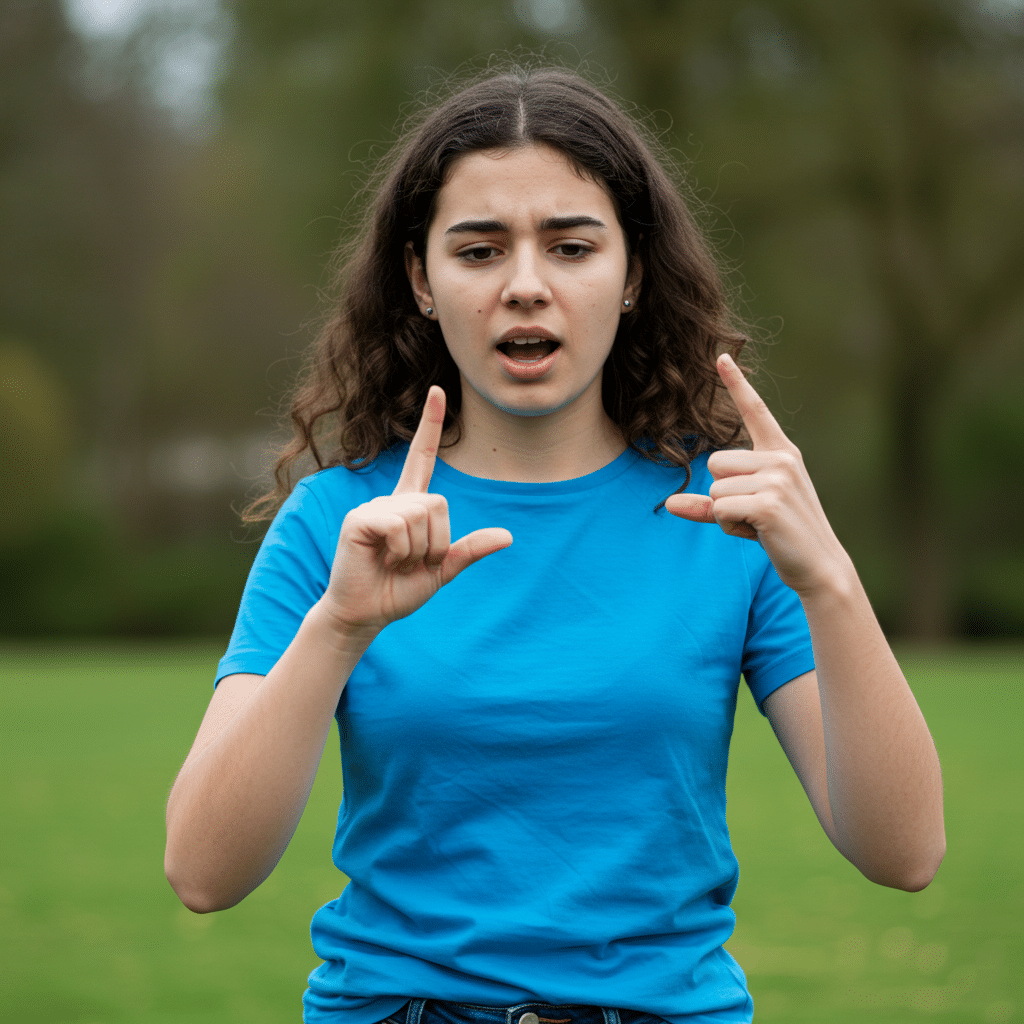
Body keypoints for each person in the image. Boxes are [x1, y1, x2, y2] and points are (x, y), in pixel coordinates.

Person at [164, 65, 945, 1024]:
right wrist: (337, 628)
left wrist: (829, 579)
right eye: (480, 250)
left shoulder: (734, 518)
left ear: (632, 276)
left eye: (572, 247)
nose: (526, 287)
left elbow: (905, 853)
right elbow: (203, 873)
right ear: (420, 278)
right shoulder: (338, 524)